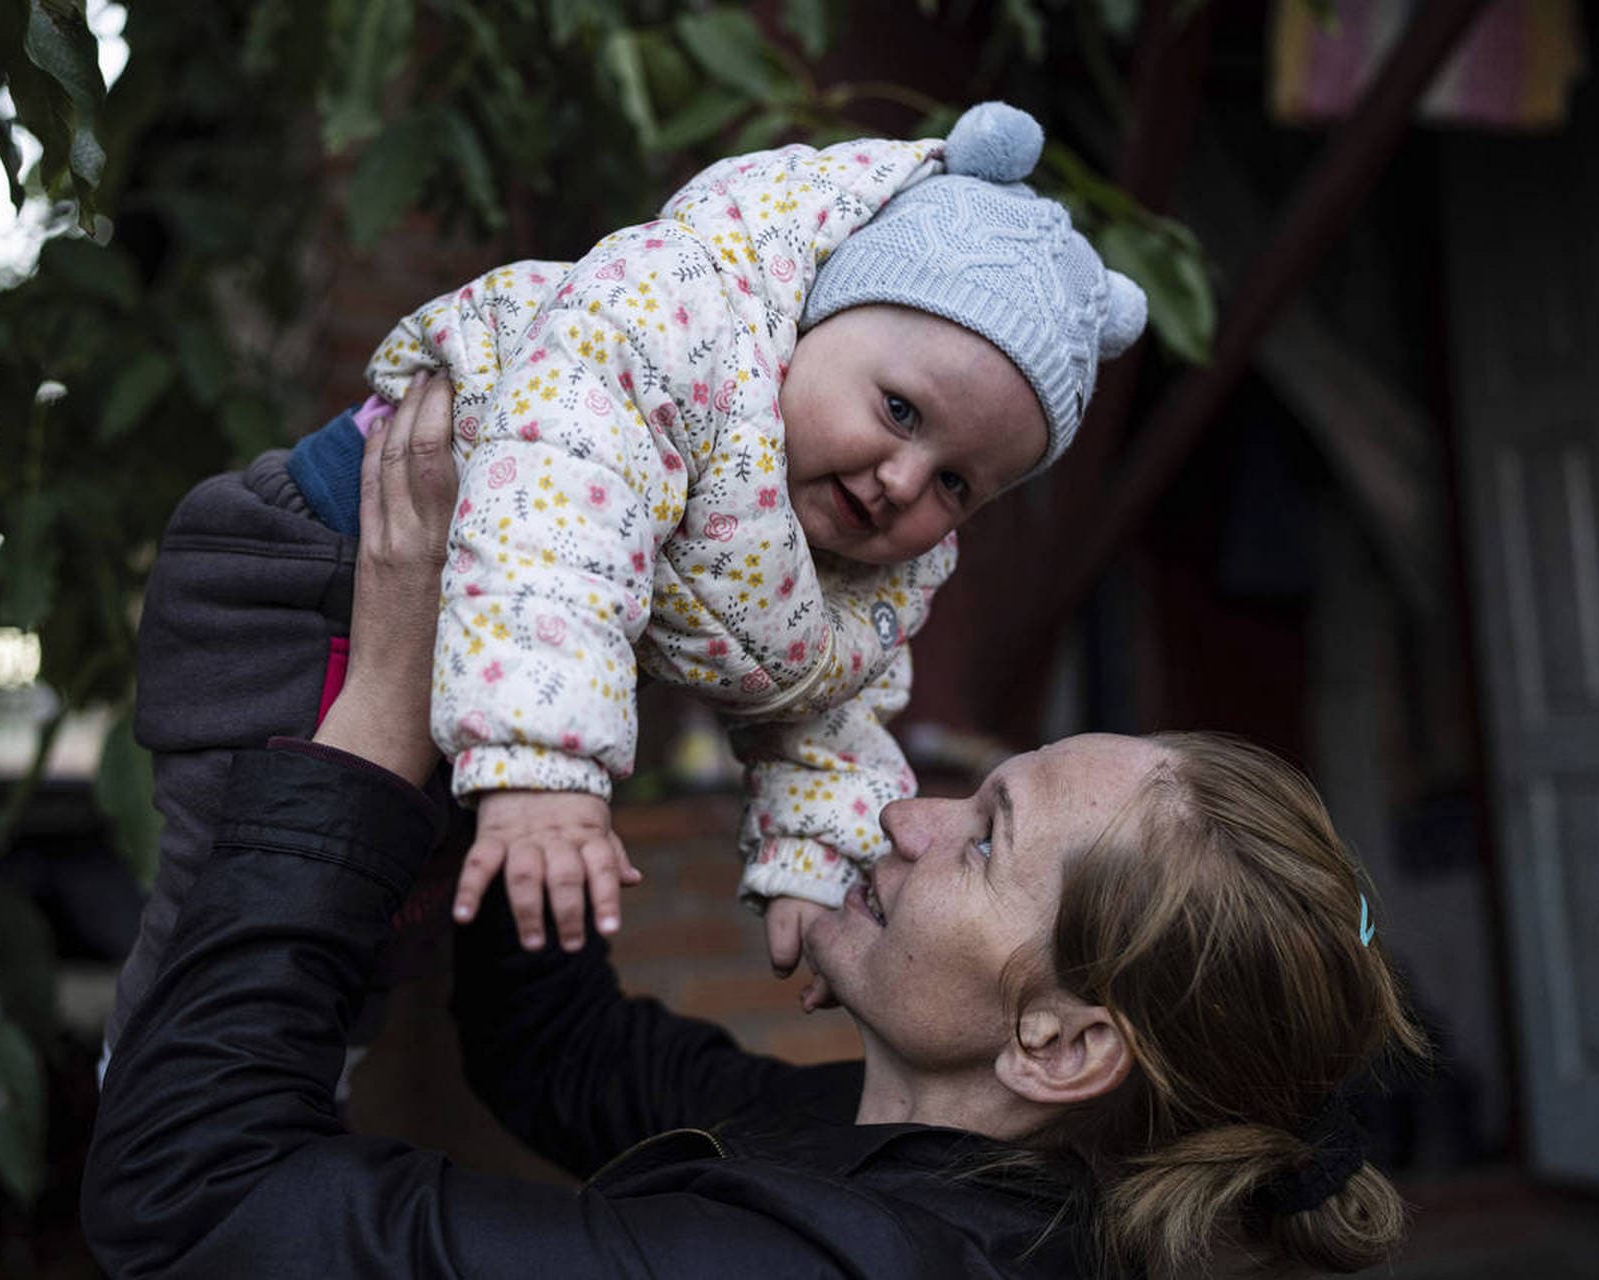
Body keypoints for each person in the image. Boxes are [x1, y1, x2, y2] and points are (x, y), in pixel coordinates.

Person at [83, 380, 1428, 1278]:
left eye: (984, 838)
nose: (907, 813)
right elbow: (560, 1052)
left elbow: (190, 1204)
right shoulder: (931, 1162)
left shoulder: (829, 1259)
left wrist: (381, 701)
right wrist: (544, 713)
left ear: (1065, 1041)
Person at [102, 100, 1152, 1063]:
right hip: (316, 571)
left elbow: (830, 697)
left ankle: (286, 1088)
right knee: (246, 876)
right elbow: (556, 520)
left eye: (957, 483)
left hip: (485, 651)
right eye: (902, 412)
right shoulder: (673, 323)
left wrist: (818, 848)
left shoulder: (855, 551)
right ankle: (158, 1067)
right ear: (812, 314)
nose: (903, 480)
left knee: (379, 918)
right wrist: (549, 767)